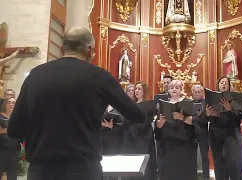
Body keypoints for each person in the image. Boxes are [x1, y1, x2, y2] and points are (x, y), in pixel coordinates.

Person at [7, 27, 146, 180]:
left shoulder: (35, 75)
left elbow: (14, 130)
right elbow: (138, 115)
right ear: (90, 50)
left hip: (41, 170)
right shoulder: (99, 77)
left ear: (62, 49)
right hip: (83, 169)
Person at [155, 80, 197, 180]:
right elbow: (158, 126)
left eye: (177, 87)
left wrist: (182, 117)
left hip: (184, 142)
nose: (174, 89)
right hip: (168, 142)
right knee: (169, 171)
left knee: (184, 171)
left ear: (181, 90)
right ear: (168, 90)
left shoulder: (188, 102)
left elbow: (194, 122)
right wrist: (161, 121)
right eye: (172, 87)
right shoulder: (163, 104)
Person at [204, 77, 242, 180]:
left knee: (232, 161)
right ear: (218, 85)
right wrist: (208, 113)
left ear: (229, 86)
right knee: (218, 162)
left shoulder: (234, 98)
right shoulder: (212, 98)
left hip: (229, 133)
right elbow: (205, 118)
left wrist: (229, 109)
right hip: (215, 133)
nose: (224, 84)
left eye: (226, 83)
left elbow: (238, 118)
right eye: (222, 82)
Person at [122, 82, 157, 180]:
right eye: (135, 89)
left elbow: (147, 121)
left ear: (144, 91)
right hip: (130, 136)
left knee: (143, 162)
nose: (136, 91)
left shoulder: (150, 104)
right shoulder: (130, 104)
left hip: (143, 136)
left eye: (139, 89)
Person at [191, 85, 210, 180]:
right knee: (192, 156)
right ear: (192, 93)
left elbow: (207, 119)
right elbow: (189, 119)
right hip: (192, 133)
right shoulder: (189, 103)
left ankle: (206, 177)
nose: (197, 94)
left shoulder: (206, 103)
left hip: (203, 133)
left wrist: (198, 117)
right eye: (195, 92)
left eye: (199, 92)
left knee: (205, 156)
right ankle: (193, 176)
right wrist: (198, 117)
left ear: (202, 93)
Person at [0, 97, 20, 180]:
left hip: (13, 149)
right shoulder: (0, 116)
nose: (11, 104)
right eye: (9, 102)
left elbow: (20, 132)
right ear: (5, 104)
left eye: (13, 102)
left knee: (12, 173)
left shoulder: (18, 117)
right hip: (1, 148)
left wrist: (5, 130)